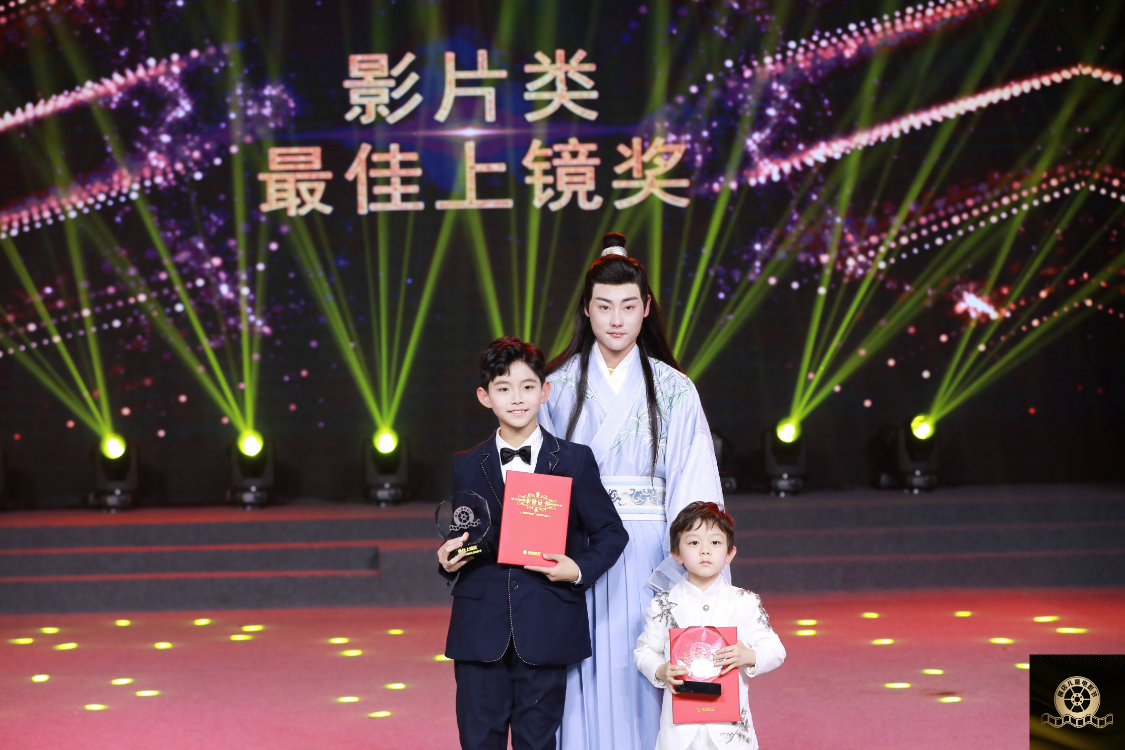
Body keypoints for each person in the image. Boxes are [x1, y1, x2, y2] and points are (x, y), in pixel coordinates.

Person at [538, 232, 725, 750]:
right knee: (582, 673)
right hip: (580, 554)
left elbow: (694, 483)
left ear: (646, 307)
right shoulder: (557, 386)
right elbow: (542, 485)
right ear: (586, 310)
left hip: (652, 552)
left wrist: (690, 563)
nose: (616, 319)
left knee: (652, 668)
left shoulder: (675, 388)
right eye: (604, 306)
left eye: (627, 306)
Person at [438, 336, 629, 750]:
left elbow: (612, 532)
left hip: (546, 621)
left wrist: (577, 569)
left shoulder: (574, 460)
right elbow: (466, 533)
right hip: (479, 626)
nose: (517, 398)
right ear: (485, 397)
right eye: (503, 388)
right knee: (478, 740)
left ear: (544, 391)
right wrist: (450, 557)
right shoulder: (466, 464)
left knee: (538, 741)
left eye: (527, 386)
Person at [634, 502, 785, 750]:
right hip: (680, 732)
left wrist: (749, 655)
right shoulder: (663, 604)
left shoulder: (745, 601)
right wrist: (660, 670)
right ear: (676, 554)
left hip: (731, 731)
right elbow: (644, 651)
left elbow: (776, 650)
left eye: (715, 542)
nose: (705, 550)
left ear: (730, 553)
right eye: (694, 543)